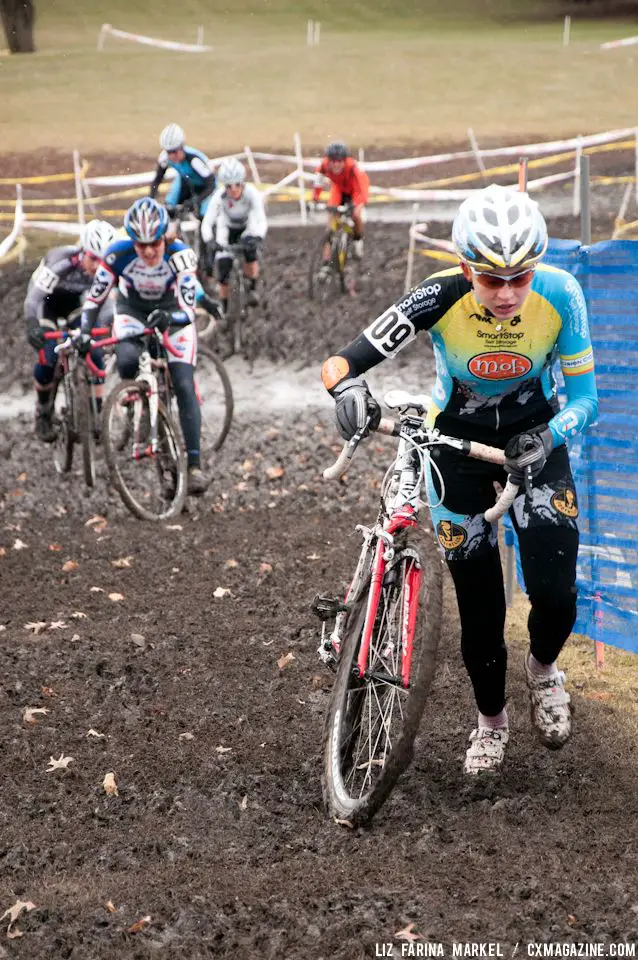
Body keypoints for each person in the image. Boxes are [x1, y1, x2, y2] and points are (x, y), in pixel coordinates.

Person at [320, 183, 598, 776]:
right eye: (490, 278)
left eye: (519, 277)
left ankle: (544, 671)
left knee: (555, 590)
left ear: (536, 268)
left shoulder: (561, 294)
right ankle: (491, 723)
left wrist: (548, 438)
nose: (505, 292)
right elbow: (342, 361)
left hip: (535, 441)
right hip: (456, 449)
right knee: (479, 608)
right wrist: (346, 391)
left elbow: (587, 399)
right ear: (465, 266)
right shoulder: (438, 296)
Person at [79, 197, 220, 496]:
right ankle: (138, 407)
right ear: (131, 241)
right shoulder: (117, 255)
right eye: (140, 245)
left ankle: (194, 465)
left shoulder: (179, 254)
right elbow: (95, 298)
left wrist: (171, 317)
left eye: (154, 243)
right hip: (133, 311)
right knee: (128, 360)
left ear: (164, 237)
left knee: (183, 383)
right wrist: (83, 331)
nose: (148, 251)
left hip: (173, 313)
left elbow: (189, 309)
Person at [24, 219, 117, 442]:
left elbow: (106, 304)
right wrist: (32, 325)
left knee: (94, 352)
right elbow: (33, 299)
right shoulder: (61, 261)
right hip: (47, 304)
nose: (96, 266)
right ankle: (44, 411)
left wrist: (106, 326)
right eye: (93, 258)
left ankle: (97, 415)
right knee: (48, 356)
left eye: (102, 260)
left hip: (77, 304)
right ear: (83, 251)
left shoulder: (106, 271)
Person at [200, 157, 267, 311]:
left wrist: (258, 237)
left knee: (250, 251)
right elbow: (207, 222)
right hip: (227, 228)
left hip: (247, 226)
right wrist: (209, 240)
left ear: (243, 182)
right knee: (223, 270)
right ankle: (223, 308)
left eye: (237, 184)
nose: (234, 189)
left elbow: (261, 220)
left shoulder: (252, 194)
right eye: (229, 186)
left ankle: (252, 287)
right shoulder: (219, 196)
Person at [311, 141, 369, 264]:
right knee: (331, 221)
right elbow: (318, 184)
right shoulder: (323, 166)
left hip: (356, 191)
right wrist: (314, 199)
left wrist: (355, 205)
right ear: (329, 160)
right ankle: (326, 260)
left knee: (356, 214)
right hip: (339, 189)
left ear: (344, 161)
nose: (336, 165)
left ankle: (358, 240)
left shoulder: (354, 168)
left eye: (339, 161)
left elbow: (362, 192)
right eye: (333, 161)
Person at [149, 124, 216, 222]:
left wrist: (195, 202)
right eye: (169, 152)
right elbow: (157, 180)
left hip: (207, 186)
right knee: (169, 209)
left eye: (175, 152)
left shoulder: (194, 160)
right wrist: (151, 198)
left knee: (204, 218)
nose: (172, 156)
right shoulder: (164, 158)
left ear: (182, 147)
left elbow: (211, 185)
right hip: (186, 180)